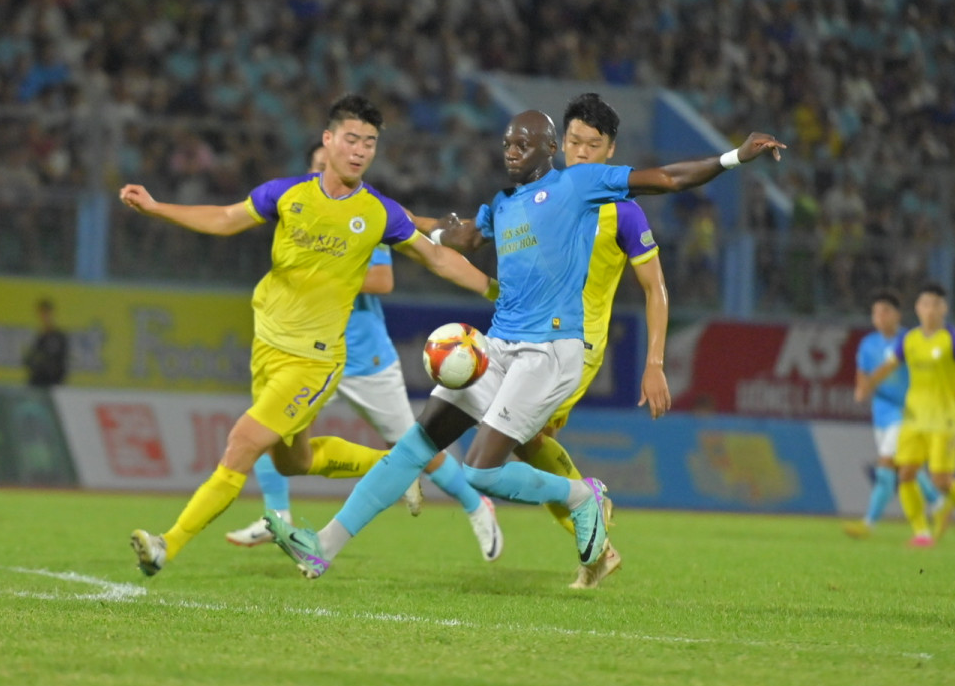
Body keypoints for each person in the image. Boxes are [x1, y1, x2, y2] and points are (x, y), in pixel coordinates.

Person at [265, 109, 785, 581]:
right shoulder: (502, 205)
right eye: (507, 144)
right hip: (500, 346)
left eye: (521, 144)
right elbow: (463, 237)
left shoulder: (580, 184)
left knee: (480, 471)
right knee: (416, 445)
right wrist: (395, 227)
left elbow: (668, 179)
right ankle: (322, 547)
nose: (510, 151)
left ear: (547, 149)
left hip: (552, 349)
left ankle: (583, 496)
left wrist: (735, 156)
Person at [119, 94, 496, 578]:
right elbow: (227, 218)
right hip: (268, 348)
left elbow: (438, 258)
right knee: (295, 460)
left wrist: (493, 289)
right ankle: (396, 468)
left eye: (371, 143)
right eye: (352, 139)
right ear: (328, 140)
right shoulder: (287, 194)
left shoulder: (380, 213)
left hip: (313, 360)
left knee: (242, 442)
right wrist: (156, 208)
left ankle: (165, 544)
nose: (360, 150)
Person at [225, 146, 503, 562]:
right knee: (269, 428)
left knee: (416, 446)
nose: (324, 171)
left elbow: (382, 279)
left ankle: (475, 504)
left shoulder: (362, 216)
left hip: (366, 360)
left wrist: (321, 270)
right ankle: (275, 514)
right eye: (317, 165)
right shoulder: (302, 213)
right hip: (310, 355)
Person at [516, 92, 671, 589]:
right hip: (534, 335)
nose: (581, 152)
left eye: (593, 145)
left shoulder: (623, 212)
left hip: (576, 348)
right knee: (531, 443)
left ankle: (590, 515)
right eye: (574, 142)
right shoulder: (542, 195)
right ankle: (595, 546)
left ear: (611, 151)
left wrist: (655, 362)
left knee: (517, 436)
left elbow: (656, 289)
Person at [864, 283, 955, 548]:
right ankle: (922, 532)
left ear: (944, 308)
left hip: (943, 419)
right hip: (913, 418)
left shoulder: (953, 339)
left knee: (940, 479)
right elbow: (890, 365)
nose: (929, 310)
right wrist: (869, 383)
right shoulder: (910, 340)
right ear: (917, 309)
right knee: (905, 474)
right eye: (924, 304)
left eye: (934, 304)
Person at [841, 290, 940, 538]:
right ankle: (939, 503)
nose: (879, 316)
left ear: (897, 314)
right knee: (904, 467)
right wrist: (860, 390)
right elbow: (862, 373)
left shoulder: (910, 340)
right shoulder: (868, 344)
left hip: (907, 412)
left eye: (885, 311)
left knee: (886, 464)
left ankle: (869, 523)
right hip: (882, 412)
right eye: (875, 312)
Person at [23, 298, 70, 388]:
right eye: (42, 313)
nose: (44, 316)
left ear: (52, 313)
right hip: (37, 383)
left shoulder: (59, 337)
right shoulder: (39, 337)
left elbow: (61, 363)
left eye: (47, 313)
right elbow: (30, 361)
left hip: (53, 383)